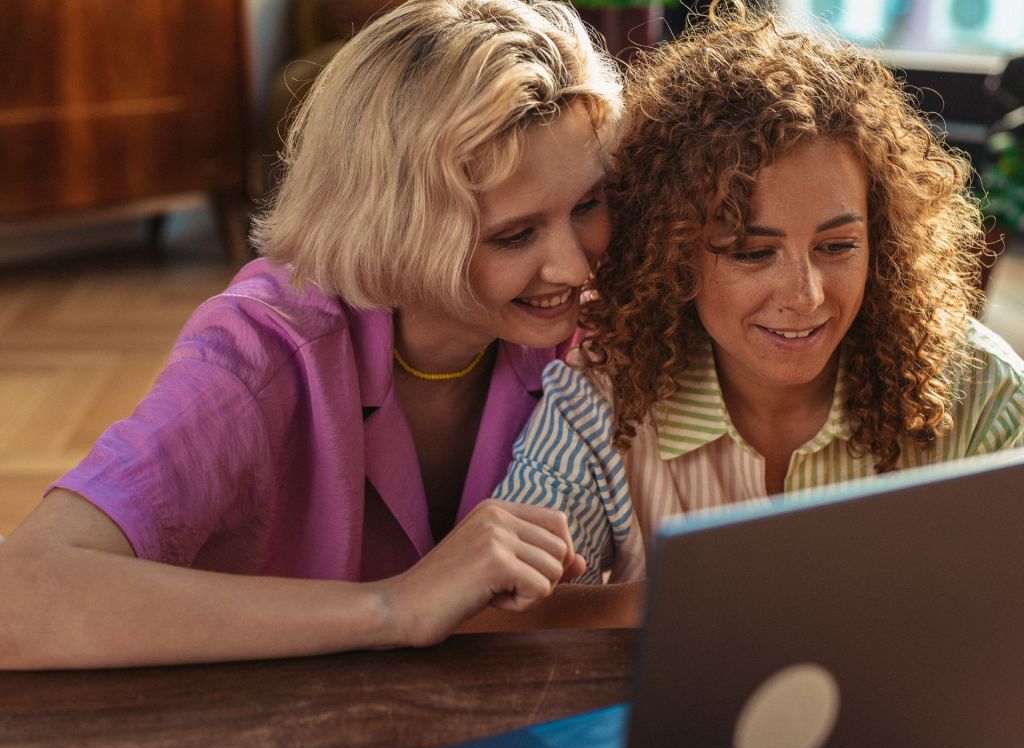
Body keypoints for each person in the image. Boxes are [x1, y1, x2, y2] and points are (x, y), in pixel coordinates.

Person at [0, 0, 626, 669]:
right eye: (515, 234)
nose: (576, 265)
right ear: (395, 226)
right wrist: (394, 607)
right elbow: (18, 596)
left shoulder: (588, 337)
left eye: (586, 205)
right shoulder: (261, 351)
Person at [495, 2, 1024, 585]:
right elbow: (518, 613)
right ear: (674, 254)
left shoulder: (983, 393)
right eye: (752, 252)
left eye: (838, 246)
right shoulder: (596, 402)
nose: (805, 295)